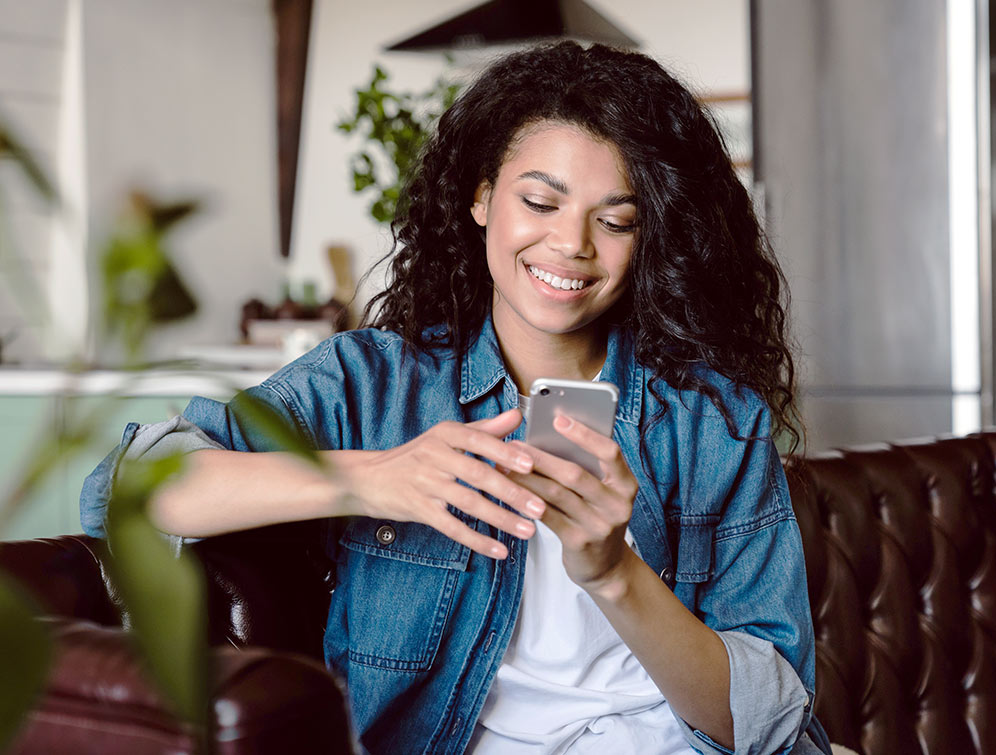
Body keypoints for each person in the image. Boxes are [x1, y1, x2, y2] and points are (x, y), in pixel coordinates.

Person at [81, 41, 832, 755]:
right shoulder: (373, 385)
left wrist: (614, 572)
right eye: (541, 202)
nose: (571, 244)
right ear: (481, 197)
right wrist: (371, 476)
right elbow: (133, 488)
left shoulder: (710, 419)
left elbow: (763, 721)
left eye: (615, 221)